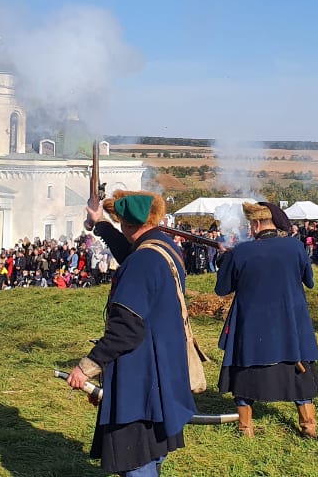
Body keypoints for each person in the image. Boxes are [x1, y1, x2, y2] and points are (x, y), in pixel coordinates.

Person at [67, 190, 196, 476]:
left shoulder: (141, 263)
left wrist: (87, 367)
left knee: (137, 460)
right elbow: (131, 251)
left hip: (141, 380)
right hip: (161, 371)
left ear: (125, 223)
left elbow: (126, 329)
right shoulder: (163, 247)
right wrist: (100, 223)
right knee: (152, 450)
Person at [214, 202, 318, 438]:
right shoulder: (295, 247)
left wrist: (225, 260)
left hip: (252, 328)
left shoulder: (241, 252)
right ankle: (308, 425)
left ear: (256, 224)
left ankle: (245, 428)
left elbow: (222, 288)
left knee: (244, 377)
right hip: (290, 325)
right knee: (298, 375)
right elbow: (309, 281)